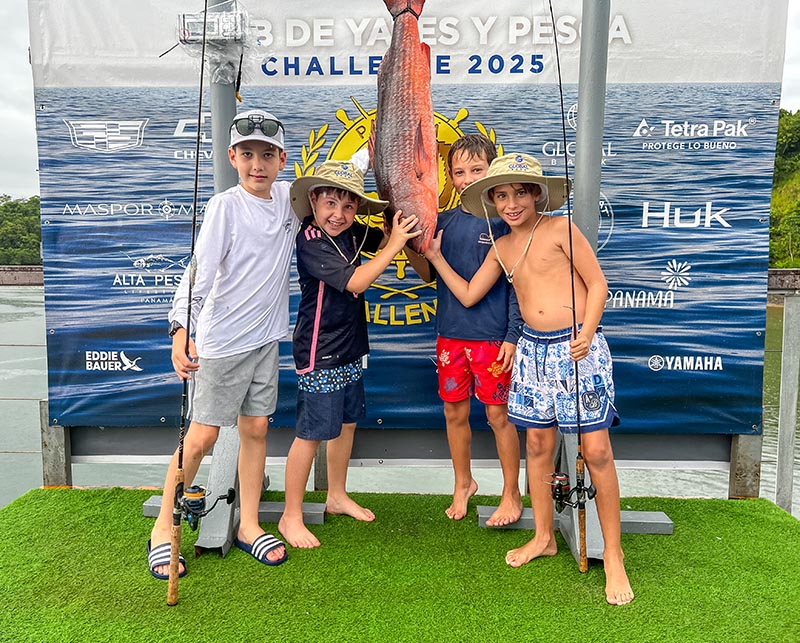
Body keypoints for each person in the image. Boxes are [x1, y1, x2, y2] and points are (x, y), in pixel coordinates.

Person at [424, 152, 634, 605]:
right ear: (491, 201)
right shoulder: (501, 247)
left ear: (537, 194)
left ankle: (614, 554)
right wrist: (436, 257)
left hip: (577, 348)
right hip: (532, 352)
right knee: (537, 446)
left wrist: (587, 331)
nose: (511, 203)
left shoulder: (561, 229)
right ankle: (543, 536)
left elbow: (598, 284)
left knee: (597, 450)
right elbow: (468, 293)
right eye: (501, 195)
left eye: (520, 192)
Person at [148, 109, 296, 578]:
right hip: (222, 345)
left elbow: (338, 180)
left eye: (268, 155)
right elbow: (199, 274)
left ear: (282, 159)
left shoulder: (291, 200)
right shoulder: (224, 207)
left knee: (256, 430)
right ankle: (162, 529)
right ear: (232, 157)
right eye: (248, 154)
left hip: (267, 341)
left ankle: (249, 524)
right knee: (202, 437)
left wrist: (370, 154)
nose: (258, 164)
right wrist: (180, 329)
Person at [278, 158, 421, 549]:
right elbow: (357, 281)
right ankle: (291, 515)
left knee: (346, 423)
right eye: (330, 204)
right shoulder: (310, 240)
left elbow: (388, 238)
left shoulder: (353, 231)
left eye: (348, 206)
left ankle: (336, 495)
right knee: (311, 434)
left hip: (352, 344)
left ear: (357, 207)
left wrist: (399, 227)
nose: (338, 215)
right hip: (319, 349)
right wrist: (395, 244)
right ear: (313, 201)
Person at [405, 134, 523, 526]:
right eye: (459, 172)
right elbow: (427, 273)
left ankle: (511, 491)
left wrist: (512, 336)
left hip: (493, 339)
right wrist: (407, 241)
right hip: (450, 335)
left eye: (477, 169)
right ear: (449, 176)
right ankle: (463, 483)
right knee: (453, 412)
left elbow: (517, 288)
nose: (467, 178)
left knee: (498, 416)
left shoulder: (506, 223)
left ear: (493, 170)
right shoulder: (442, 221)